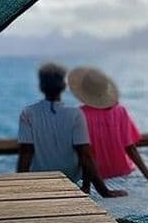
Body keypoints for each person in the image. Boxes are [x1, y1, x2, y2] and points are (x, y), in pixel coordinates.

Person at [17, 63, 127, 198]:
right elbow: (85, 154)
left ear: (41, 87)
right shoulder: (75, 114)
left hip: (41, 178)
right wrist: (104, 191)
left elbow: (26, 153)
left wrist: (20, 187)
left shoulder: (28, 113)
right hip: (69, 179)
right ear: (64, 86)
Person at [67, 66, 148, 188]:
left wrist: (86, 186)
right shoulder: (120, 111)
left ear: (84, 92)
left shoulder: (79, 114)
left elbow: (83, 153)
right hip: (123, 172)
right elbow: (130, 147)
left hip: (96, 177)